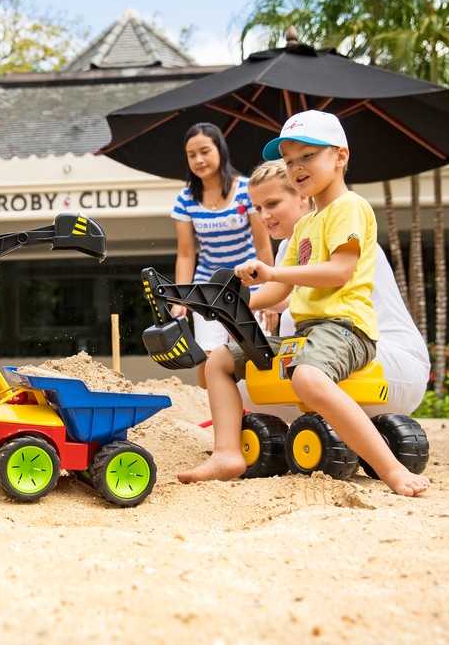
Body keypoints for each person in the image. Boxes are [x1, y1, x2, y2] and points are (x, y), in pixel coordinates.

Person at [177, 110, 430, 497]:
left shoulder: (350, 207)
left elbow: (340, 272)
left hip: (348, 329)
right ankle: (227, 452)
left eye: (307, 156)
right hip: (312, 333)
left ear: (340, 157)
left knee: (306, 377)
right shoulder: (306, 226)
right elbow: (278, 297)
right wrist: (223, 305)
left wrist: (275, 273)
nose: (296, 167)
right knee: (220, 361)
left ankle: (392, 469)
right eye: (291, 160)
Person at [169, 122, 273, 388]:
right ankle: (211, 410)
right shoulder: (185, 199)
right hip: (208, 287)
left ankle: (255, 412)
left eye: (205, 151)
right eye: (192, 155)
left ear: (220, 149)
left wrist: (272, 291)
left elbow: (263, 247)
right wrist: (179, 298)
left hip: (249, 283)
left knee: (253, 351)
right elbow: (185, 254)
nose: (199, 159)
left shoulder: (246, 190)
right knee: (208, 354)